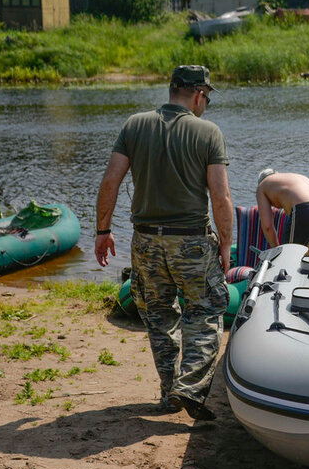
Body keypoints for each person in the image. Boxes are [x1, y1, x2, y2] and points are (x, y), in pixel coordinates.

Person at [94, 65, 233, 421]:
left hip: (145, 243)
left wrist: (102, 231)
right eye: (207, 98)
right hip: (190, 242)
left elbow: (110, 181)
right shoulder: (208, 133)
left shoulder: (135, 125)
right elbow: (221, 198)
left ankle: (171, 391)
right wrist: (226, 246)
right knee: (205, 313)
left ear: (172, 89)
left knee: (158, 316)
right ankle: (189, 388)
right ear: (199, 94)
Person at [255, 169, 309, 247]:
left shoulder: (262, 187)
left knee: (289, 255)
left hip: (306, 210)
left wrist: (277, 251)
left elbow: (267, 227)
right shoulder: (288, 179)